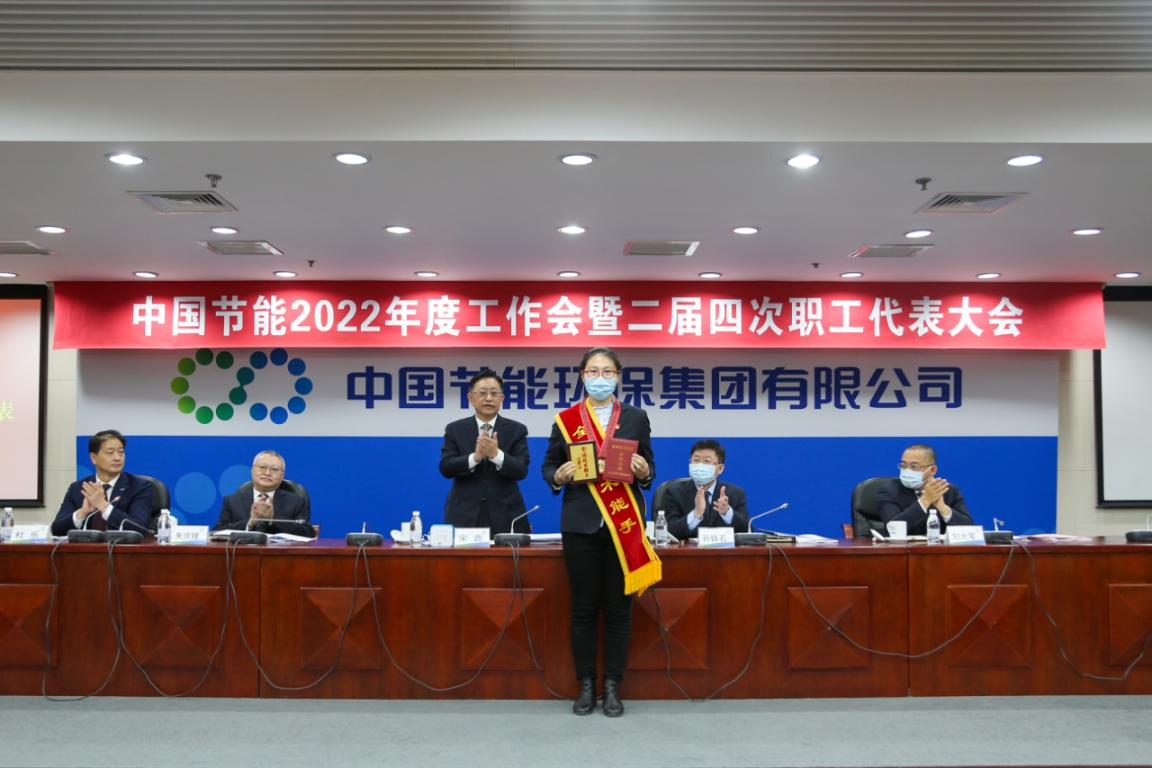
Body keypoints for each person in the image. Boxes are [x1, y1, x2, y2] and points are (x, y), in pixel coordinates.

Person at [542, 347, 659, 718]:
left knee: (619, 610)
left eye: (607, 371)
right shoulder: (566, 420)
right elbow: (549, 466)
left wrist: (644, 472)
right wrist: (558, 476)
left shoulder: (636, 417)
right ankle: (585, 684)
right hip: (580, 524)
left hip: (623, 524)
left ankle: (612, 685)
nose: (600, 378)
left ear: (618, 376)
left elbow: (650, 466)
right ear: (582, 376)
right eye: (593, 371)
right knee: (583, 608)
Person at [439, 370, 531, 534]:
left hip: (506, 514)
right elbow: (446, 467)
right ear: (470, 398)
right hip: (464, 514)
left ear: (502, 398)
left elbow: (521, 470)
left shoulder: (516, 430)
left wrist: (496, 455)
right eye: (482, 393)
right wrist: (475, 458)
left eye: (494, 394)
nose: (489, 398)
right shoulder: (455, 429)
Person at [52, 429, 154, 536]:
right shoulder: (78, 488)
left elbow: (139, 528)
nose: (117, 458)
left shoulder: (139, 487)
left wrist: (103, 505)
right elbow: (56, 530)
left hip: (121, 546)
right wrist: (82, 513)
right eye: (110, 453)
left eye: (121, 452)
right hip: (86, 546)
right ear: (93, 458)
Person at [662, 439, 749, 540]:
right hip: (687, 550)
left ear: (720, 468)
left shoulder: (735, 494)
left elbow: (747, 530)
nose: (700, 465)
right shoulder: (674, 492)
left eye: (706, 461)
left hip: (723, 550)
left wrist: (727, 512)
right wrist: (695, 515)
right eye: (696, 460)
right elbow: (667, 531)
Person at [877, 444, 973, 535]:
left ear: (932, 470)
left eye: (914, 466)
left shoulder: (948, 490)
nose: (907, 470)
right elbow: (892, 529)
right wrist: (925, 500)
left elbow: (970, 530)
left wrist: (943, 508)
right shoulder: (889, 491)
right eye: (903, 465)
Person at [214, 450, 315, 537]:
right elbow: (217, 532)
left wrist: (271, 521)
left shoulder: (296, 502)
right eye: (262, 467)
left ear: (282, 476)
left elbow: (308, 532)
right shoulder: (232, 501)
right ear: (252, 470)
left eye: (274, 469)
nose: (267, 473)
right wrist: (250, 522)